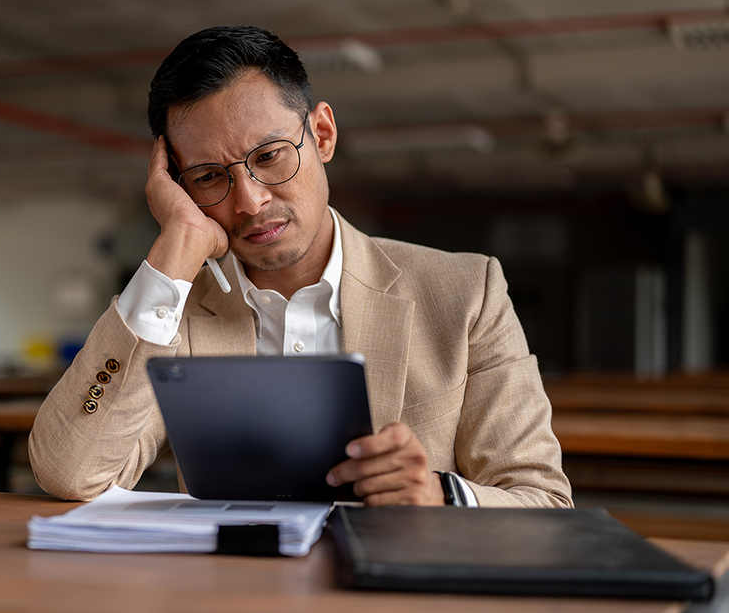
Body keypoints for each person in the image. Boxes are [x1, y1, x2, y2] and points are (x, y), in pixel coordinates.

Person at [28, 25, 572, 508]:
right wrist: (176, 247)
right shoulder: (173, 310)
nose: (249, 201)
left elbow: (543, 499)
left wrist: (440, 495)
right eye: (209, 177)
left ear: (324, 135)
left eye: (269, 157)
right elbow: (70, 473)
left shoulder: (464, 293)